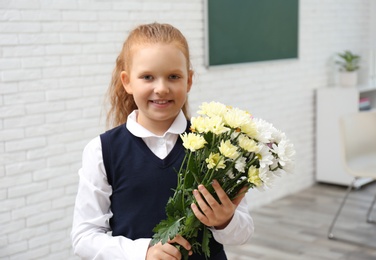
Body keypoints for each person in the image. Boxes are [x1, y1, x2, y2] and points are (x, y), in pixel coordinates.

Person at [71, 22, 254, 260]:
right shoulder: (102, 151)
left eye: (173, 77)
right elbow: (84, 237)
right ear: (127, 81)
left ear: (188, 81)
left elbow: (243, 233)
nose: (161, 88)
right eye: (147, 77)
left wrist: (225, 221)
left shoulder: (217, 146)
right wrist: (144, 253)